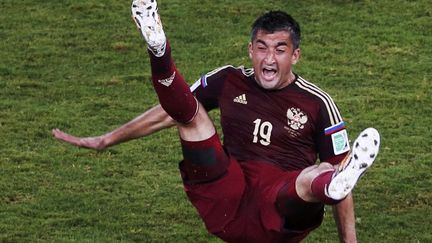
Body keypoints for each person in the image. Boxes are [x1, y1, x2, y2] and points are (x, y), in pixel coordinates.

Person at [53, 0, 381, 242]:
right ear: (250, 49)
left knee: (325, 173)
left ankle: (330, 185)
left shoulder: (317, 103)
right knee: (190, 117)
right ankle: (158, 48)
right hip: (228, 195)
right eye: (262, 48)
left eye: (280, 50)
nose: (269, 58)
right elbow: (172, 110)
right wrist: (108, 138)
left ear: (295, 55)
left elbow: (344, 183)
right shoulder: (228, 80)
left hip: (278, 209)